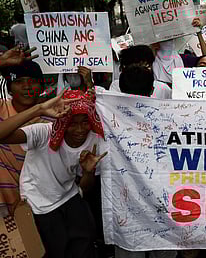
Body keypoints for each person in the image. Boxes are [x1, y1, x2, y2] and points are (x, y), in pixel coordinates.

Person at [0, 89, 106, 258]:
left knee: (85, 247)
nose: (80, 130)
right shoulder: (44, 133)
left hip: (69, 196)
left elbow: (85, 188)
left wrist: (88, 172)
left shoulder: (94, 140)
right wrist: (39, 109)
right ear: (62, 121)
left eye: (85, 122)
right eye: (72, 123)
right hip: (38, 204)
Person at [116, 65, 177, 258]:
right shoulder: (171, 118)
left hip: (126, 203)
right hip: (165, 199)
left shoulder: (110, 116)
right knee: (164, 247)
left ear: (120, 88)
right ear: (152, 90)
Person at [0, 49, 45, 217]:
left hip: (39, 207)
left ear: (41, 86)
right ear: (10, 88)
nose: (27, 87)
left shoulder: (53, 120)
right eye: (19, 81)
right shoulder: (1, 108)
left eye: (32, 81)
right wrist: (2, 63)